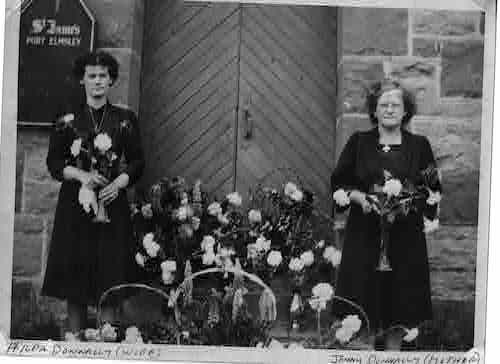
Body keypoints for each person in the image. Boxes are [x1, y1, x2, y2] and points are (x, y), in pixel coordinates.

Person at [331, 79, 441, 350]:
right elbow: (339, 183)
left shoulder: (419, 146)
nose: (390, 109)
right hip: (364, 237)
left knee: (400, 304)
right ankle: (364, 350)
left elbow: (432, 187)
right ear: (375, 111)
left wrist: (414, 205)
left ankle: (394, 354)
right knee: (363, 300)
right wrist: (359, 198)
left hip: (405, 241)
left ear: (405, 111)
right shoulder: (359, 143)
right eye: (384, 105)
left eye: (396, 105)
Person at [41, 51, 145, 337]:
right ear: (82, 80)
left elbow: (137, 162)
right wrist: (83, 176)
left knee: (109, 278)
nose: (98, 81)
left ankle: (106, 342)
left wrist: (119, 184)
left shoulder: (125, 119)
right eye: (92, 76)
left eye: (103, 76)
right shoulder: (67, 118)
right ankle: (75, 342)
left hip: (111, 207)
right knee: (76, 280)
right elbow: (54, 162)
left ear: (111, 80)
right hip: (76, 207)